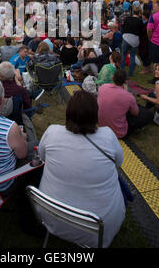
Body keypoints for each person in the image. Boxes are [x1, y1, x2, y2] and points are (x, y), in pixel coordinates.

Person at [38, 90, 125, 248]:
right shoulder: (108, 136)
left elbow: (41, 156)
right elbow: (119, 162)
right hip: (99, 227)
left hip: (51, 215)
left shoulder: (52, 131)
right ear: (95, 114)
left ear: (68, 113)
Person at [97, 69, 154, 138]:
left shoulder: (102, 87)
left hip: (102, 126)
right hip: (118, 132)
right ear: (125, 81)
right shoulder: (128, 96)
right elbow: (135, 113)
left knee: (132, 107)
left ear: (112, 77)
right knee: (148, 114)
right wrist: (126, 92)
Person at [120, 6, 143, 77]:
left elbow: (122, 28)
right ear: (139, 13)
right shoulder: (140, 21)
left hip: (126, 38)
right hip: (134, 39)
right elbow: (140, 32)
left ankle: (121, 71)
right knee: (132, 56)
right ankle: (130, 73)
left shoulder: (127, 19)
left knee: (123, 55)